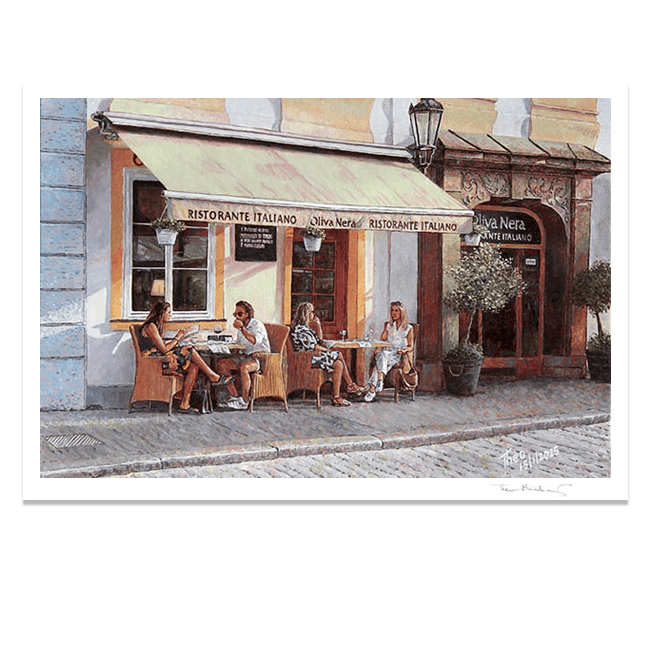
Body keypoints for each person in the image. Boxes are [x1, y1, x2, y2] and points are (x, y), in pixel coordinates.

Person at [138, 301, 232, 414]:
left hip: (162, 358)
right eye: (168, 312)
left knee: (193, 366)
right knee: (190, 350)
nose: (170, 315)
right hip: (155, 362)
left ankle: (184, 404)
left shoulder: (157, 326)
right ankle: (213, 376)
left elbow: (163, 348)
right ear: (161, 313)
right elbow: (164, 349)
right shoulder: (151, 326)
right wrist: (177, 337)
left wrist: (177, 341)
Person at [290, 302, 363, 407]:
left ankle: (337, 396)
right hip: (307, 358)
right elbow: (314, 347)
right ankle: (350, 386)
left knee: (338, 364)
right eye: (311, 312)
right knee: (338, 354)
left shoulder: (305, 328)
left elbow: (319, 341)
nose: (313, 314)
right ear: (306, 314)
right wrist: (327, 351)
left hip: (313, 356)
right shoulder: (300, 329)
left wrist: (318, 325)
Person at [216, 300, 270, 410]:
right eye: (235, 314)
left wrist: (241, 328)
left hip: (260, 357)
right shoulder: (241, 327)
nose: (237, 317)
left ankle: (245, 400)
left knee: (244, 367)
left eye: (240, 314)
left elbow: (254, 341)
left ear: (248, 315)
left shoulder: (256, 325)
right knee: (222, 364)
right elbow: (240, 344)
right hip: (245, 356)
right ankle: (235, 397)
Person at [364, 301, 414, 402]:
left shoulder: (408, 328)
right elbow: (382, 341)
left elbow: (411, 346)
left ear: (401, 312)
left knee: (379, 363)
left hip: (397, 354)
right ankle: (379, 381)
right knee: (382, 355)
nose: (394, 313)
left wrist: (404, 350)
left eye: (396, 310)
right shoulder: (389, 326)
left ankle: (373, 388)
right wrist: (378, 348)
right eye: (392, 310)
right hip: (386, 351)